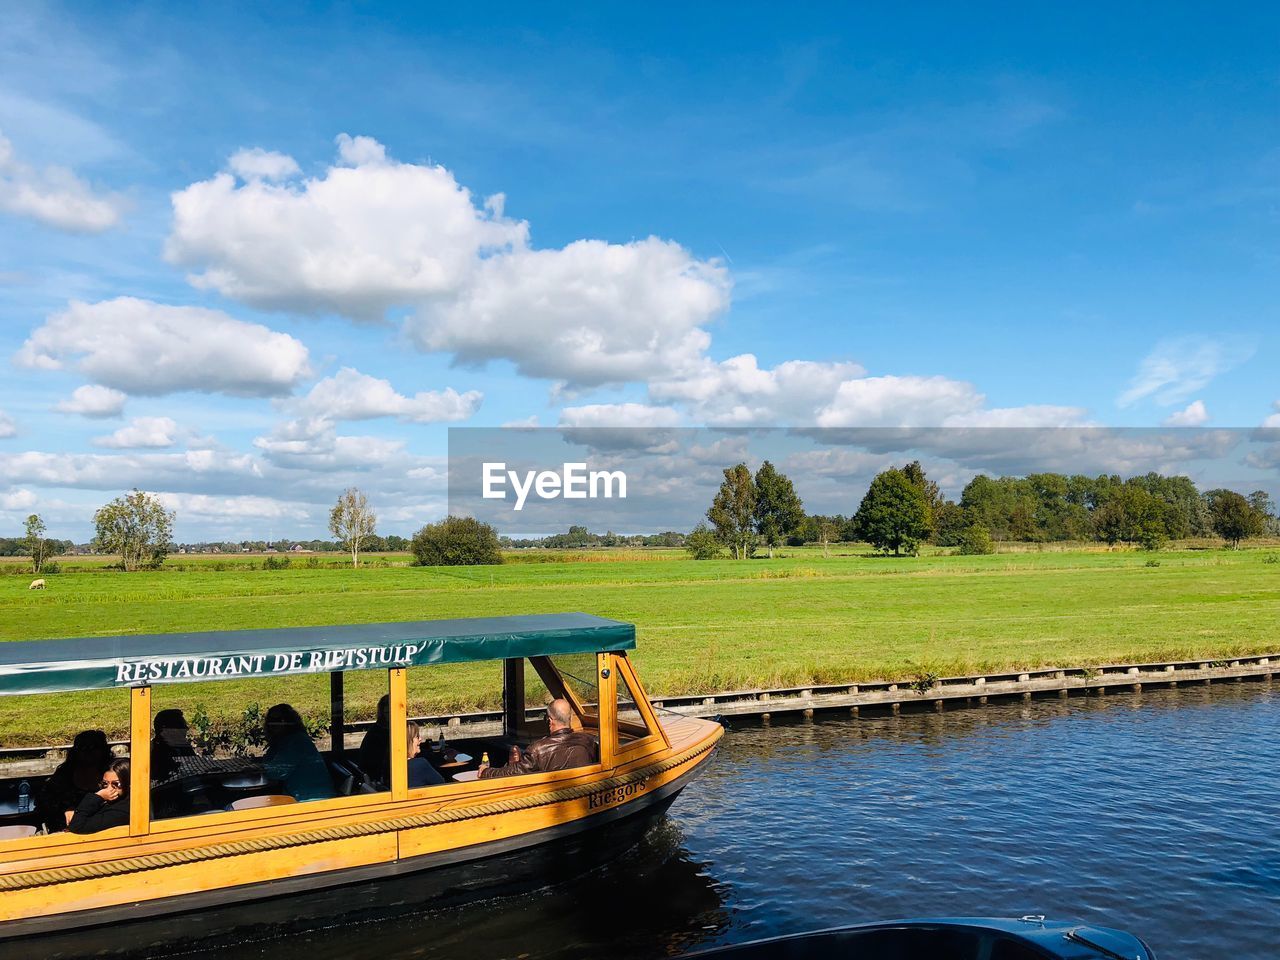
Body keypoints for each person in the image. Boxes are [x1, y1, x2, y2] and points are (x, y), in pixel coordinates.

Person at [478, 699, 598, 780]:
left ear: (550, 721)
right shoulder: (588, 741)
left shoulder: (537, 750)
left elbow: (513, 773)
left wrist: (486, 772)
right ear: (570, 717)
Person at [36, 729, 113, 832]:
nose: (88, 752)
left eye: (94, 747)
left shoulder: (112, 773)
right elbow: (43, 800)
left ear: (103, 750)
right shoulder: (65, 773)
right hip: (66, 829)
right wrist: (66, 808)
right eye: (83, 747)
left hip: (103, 826)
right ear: (76, 751)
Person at [262, 704, 334, 802]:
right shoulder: (284, 741)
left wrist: (261, 768)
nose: (274, 724)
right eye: (271, 720)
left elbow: (278, 772)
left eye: (280, 720)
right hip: (300, 795)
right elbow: (270, 763)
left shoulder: (296, 741)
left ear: (290, 722)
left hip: (311, 799)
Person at [68, 759, 130, 834]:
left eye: (116, 784)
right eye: (105, 783)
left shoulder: (122, 810)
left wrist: (98, 796)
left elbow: (77, 826)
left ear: (128, 783)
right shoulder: (112, 802)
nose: (108, 788)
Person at [151, 708, 196, 782]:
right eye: (181, 726)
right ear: (166, 729)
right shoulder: (156, 751)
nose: (186, 728)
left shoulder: (182, 746)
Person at [357, 694, 391, 788]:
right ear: (382, 713)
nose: (392, 715)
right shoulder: (378, 733)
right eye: (388, 712)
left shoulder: (377, 730)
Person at [406, 721, 446, 788]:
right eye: (417, 736)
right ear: (408, 741)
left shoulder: (391, 766)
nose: (420, 739)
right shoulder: (419, 764)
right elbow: (441, 784)